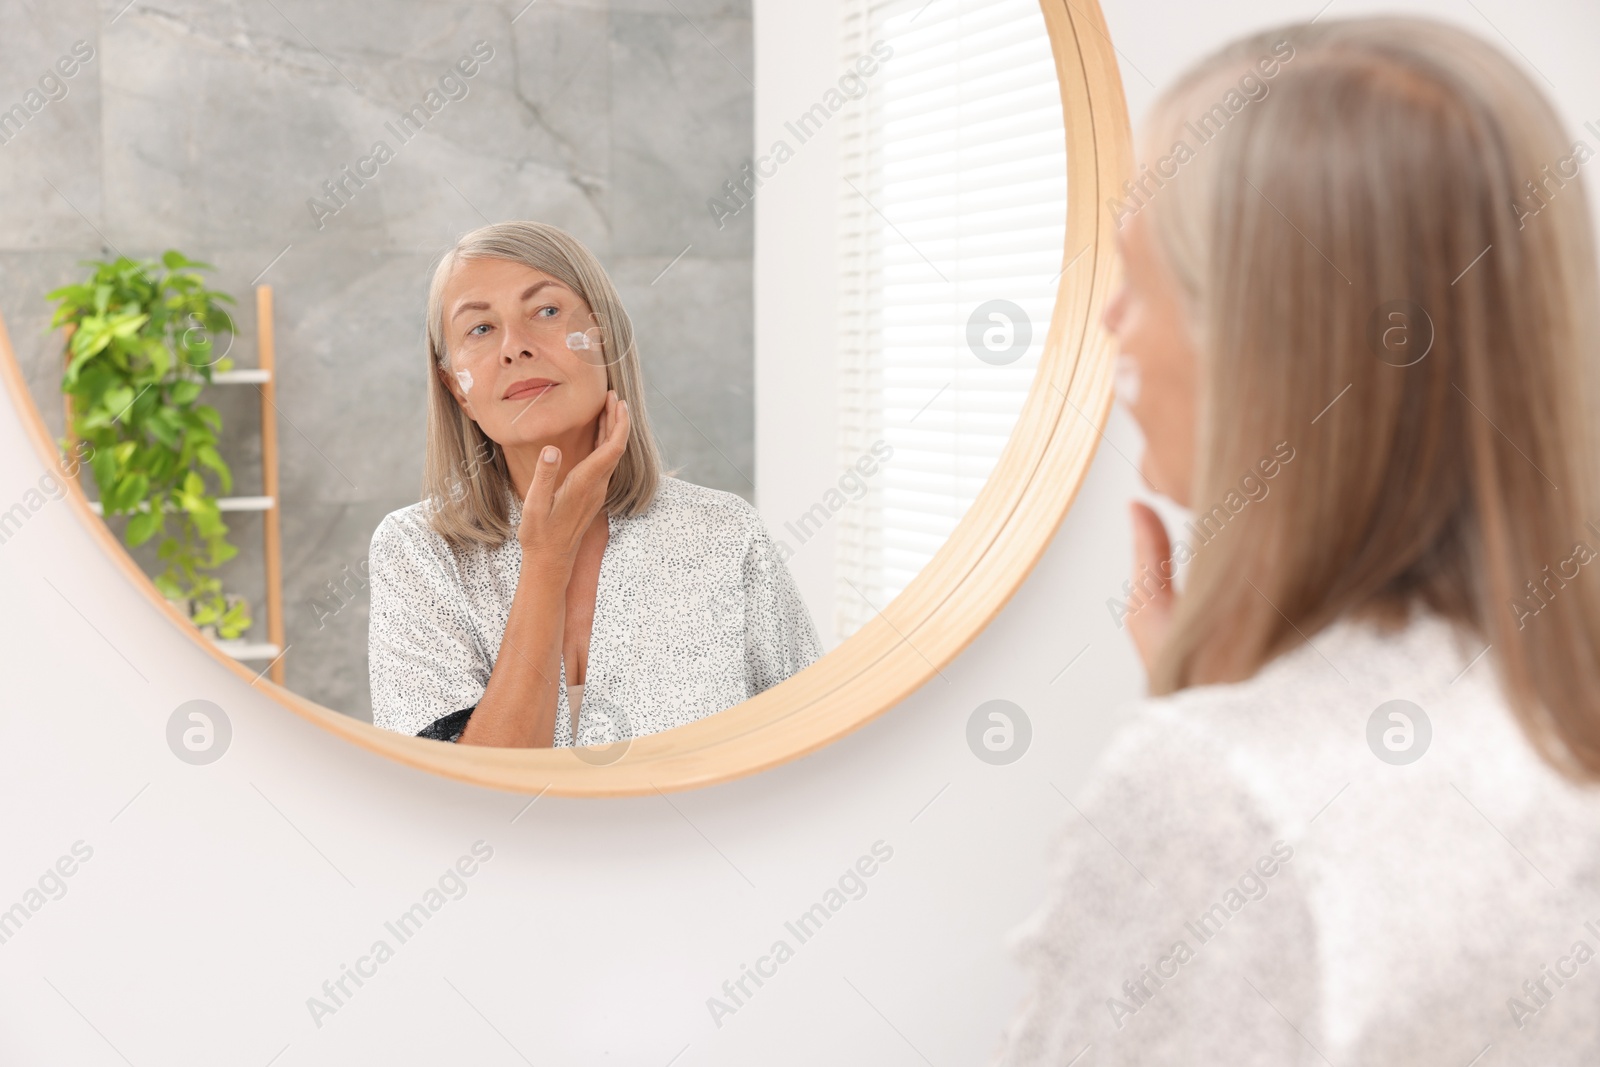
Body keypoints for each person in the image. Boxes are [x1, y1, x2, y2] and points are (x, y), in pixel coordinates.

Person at [993, 17, 1600, 1065]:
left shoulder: (1216, 793)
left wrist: (1221, 746)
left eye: (1141, 275)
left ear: (1267, 340)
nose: (1111, 323)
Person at [367, 221, 821, 748]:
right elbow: (458, 797)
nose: (514, 348)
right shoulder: (415, 551)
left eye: (547, 311)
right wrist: (547, 557)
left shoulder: (725, 532)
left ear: (605, 338)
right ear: (456, 389)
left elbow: (812, 744)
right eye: (481, 330)